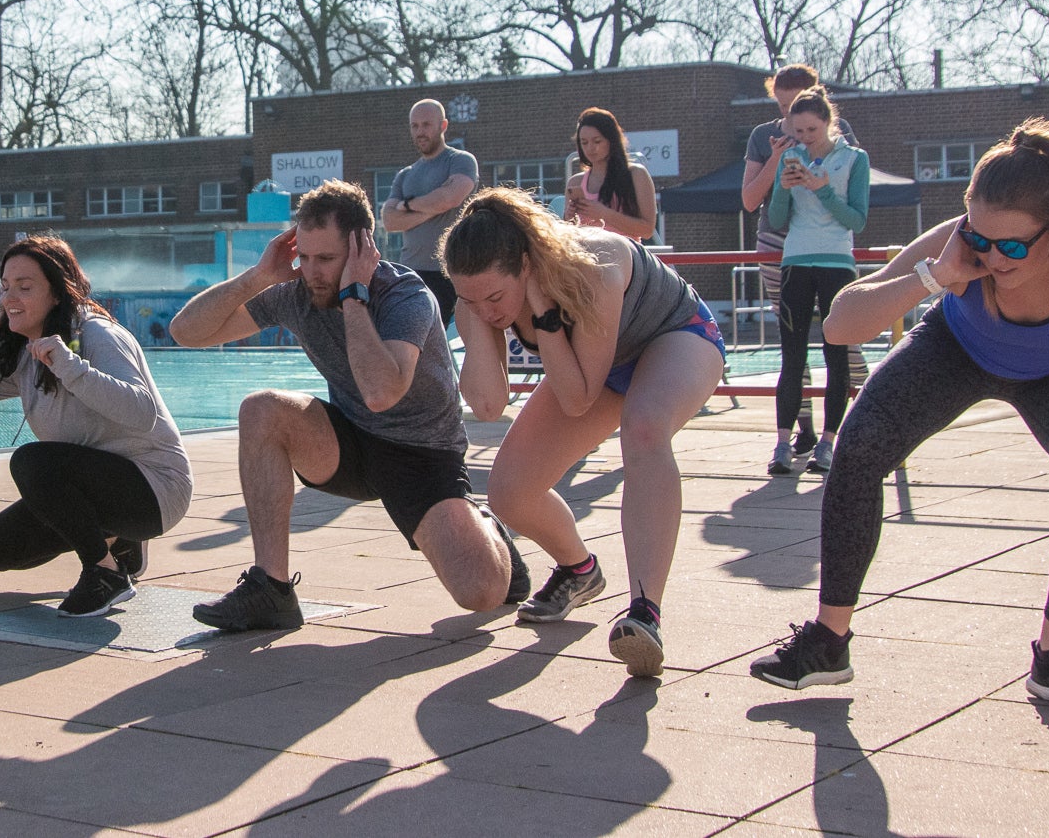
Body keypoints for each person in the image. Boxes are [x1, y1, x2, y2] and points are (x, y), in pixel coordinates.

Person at [751, 119, 1049, 715]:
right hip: (956, 350)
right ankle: (829, 642)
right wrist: (938, 275)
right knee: (858, 448)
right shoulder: (957, 245)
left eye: (1013, 246)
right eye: (981, 237)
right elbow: (839, 325)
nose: (993, 255)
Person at [168, 179, 528, 631]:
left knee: (481, 593)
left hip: (422, 455)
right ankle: (272, 589)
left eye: (327, 259)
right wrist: (259, 276)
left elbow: (383, 393)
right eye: (306, 257)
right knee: (261, 408)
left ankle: (485, 526)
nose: (313, 271)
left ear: (362, 250)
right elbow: (187, 333)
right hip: (350, 444)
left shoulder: (405, 295)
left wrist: (353, 295)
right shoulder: (295, 291)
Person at [445, 186, 727, 678]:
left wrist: (547, 316)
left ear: (527, 265)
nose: (490, 311)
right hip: (594, 365)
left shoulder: (592, 265)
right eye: (472, 297)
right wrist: (475, 320)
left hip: (675, 338)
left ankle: (645, 613)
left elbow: (579, 399)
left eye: (495, 297)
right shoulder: (479, 294)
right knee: (509, 492)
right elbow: (488, 405)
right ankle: (579, 570)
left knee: (643, 430)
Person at [0, 237, 191, 618]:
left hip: (155, 490)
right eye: (6, 287)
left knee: (33, 461)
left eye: (25, 287)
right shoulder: (18, 348)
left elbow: (142, 412)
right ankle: (120, 543)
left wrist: (69, 366)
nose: (10, 297)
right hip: (99, 487)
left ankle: (105, 573)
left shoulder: (97, 335)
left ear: (58, 294)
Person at [741, 63, 869, 452]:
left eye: (793, 105)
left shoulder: (840, 141)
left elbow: (853, 207)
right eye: (780, 106)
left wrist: (821, 187)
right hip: (780, 246)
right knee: (793, 343)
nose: (787, 116)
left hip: (829, 250)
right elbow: (750, 200)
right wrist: (778, 165)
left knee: (843, 342)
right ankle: (804, 428)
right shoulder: (765, 136)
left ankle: (865, 419)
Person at [380, 98, 481, 327]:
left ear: (443, 125)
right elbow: (389, 220)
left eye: (426, 125)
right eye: (415, 126)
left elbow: (451, 197)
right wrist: (433, 208)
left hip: (451, 271)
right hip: (411, 271)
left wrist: (407, 206)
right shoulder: (405, 174)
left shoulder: (460, 161)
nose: (420, 132)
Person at [565, 108, 657, 241]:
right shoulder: (575, 183)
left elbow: (647, 230)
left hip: (626, 255)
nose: (590, 148)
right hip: (588, 255)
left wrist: (604, 214)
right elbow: (569, 236)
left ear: (611, 141)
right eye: (584, 142)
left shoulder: (636, 175)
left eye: (597, 141)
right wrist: (569, 219)